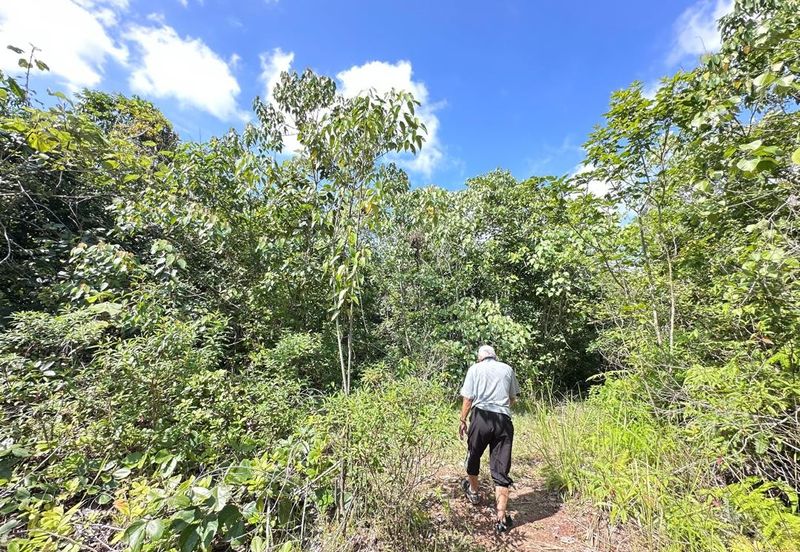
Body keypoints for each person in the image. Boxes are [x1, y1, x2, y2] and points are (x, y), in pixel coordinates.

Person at [458, 344, 520, 534]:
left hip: (481, 417)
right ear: (495, 356)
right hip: (503, 420)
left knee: (474, 454)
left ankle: (474, 492)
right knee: (501, 468)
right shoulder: (507, 369)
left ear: (480, 357)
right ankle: (501, 518)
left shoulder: (475, 369)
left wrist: (462, 419)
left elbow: (468, 398)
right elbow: (513, 399)